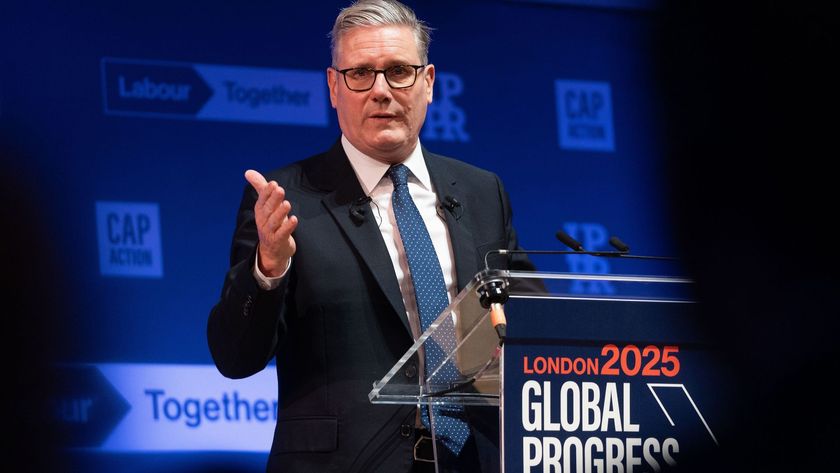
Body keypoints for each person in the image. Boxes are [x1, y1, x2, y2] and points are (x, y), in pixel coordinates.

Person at [207, 1, 535, 471]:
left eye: (399, 71)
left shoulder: (484, 193)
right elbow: (235, 356)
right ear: (333, 87)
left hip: (474, 460)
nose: (381, 91)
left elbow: (530, 332)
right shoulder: (288, 201)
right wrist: (267, 271)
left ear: (428, 82)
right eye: (360, 73)